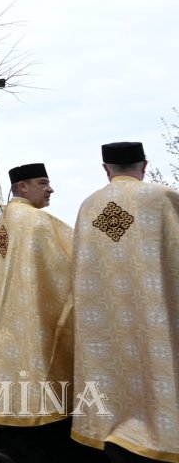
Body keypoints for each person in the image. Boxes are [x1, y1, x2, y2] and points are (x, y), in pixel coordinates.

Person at [0, 163, 101, 463]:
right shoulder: (37, 222)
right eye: (42, 182)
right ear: (23, 187)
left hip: (10, 343)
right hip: (39, 336)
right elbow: (75, 264)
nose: (50, 188)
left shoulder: (4, 226)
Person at [72, 142, 179, 463]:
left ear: (106, 169)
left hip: (104, 327)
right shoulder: (161, 198)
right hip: (158, 316)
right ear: (144, 165)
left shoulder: (88, 207)